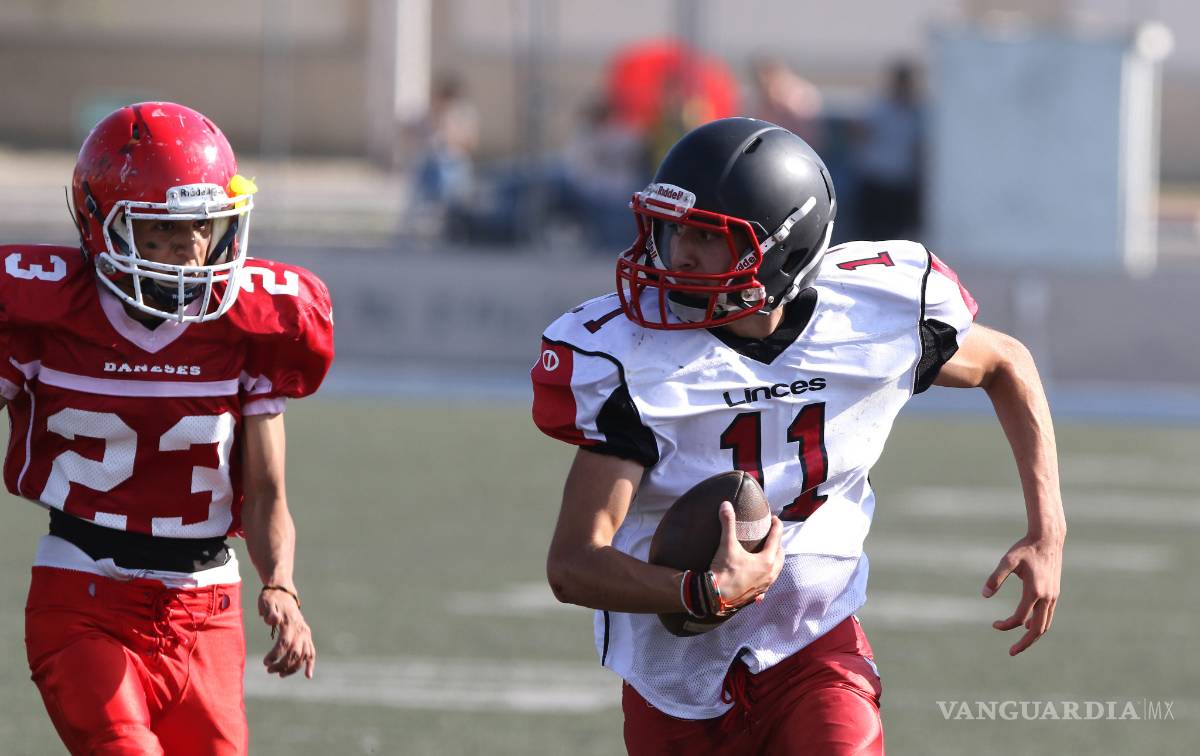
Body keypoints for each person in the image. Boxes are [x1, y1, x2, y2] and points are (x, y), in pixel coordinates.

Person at [531, 117, 1064, 754]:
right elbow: (573, 564)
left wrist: (1048, 531)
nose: (680, 255)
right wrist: (699, 590)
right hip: (671, 675)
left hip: (813, 641)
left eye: (708, 237)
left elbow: (1006, 361)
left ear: (782, 252)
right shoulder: (630, 359)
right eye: (675, 231)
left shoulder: (869, 314)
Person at [0, 102, 334, 755]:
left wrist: (283, 587)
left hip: (206, 604)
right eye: (165, 230)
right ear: (103, 227)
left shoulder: (248, 330)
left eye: (204, 226)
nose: (192, 248)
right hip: (83, 592)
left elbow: (266, 493)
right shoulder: (47, 316)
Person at [852, 60, 924, 241]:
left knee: (897, 232)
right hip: (876, 177)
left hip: (901, 180)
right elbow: (859, 131)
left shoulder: (916, 111)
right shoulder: (879, 106)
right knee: (870, 232)